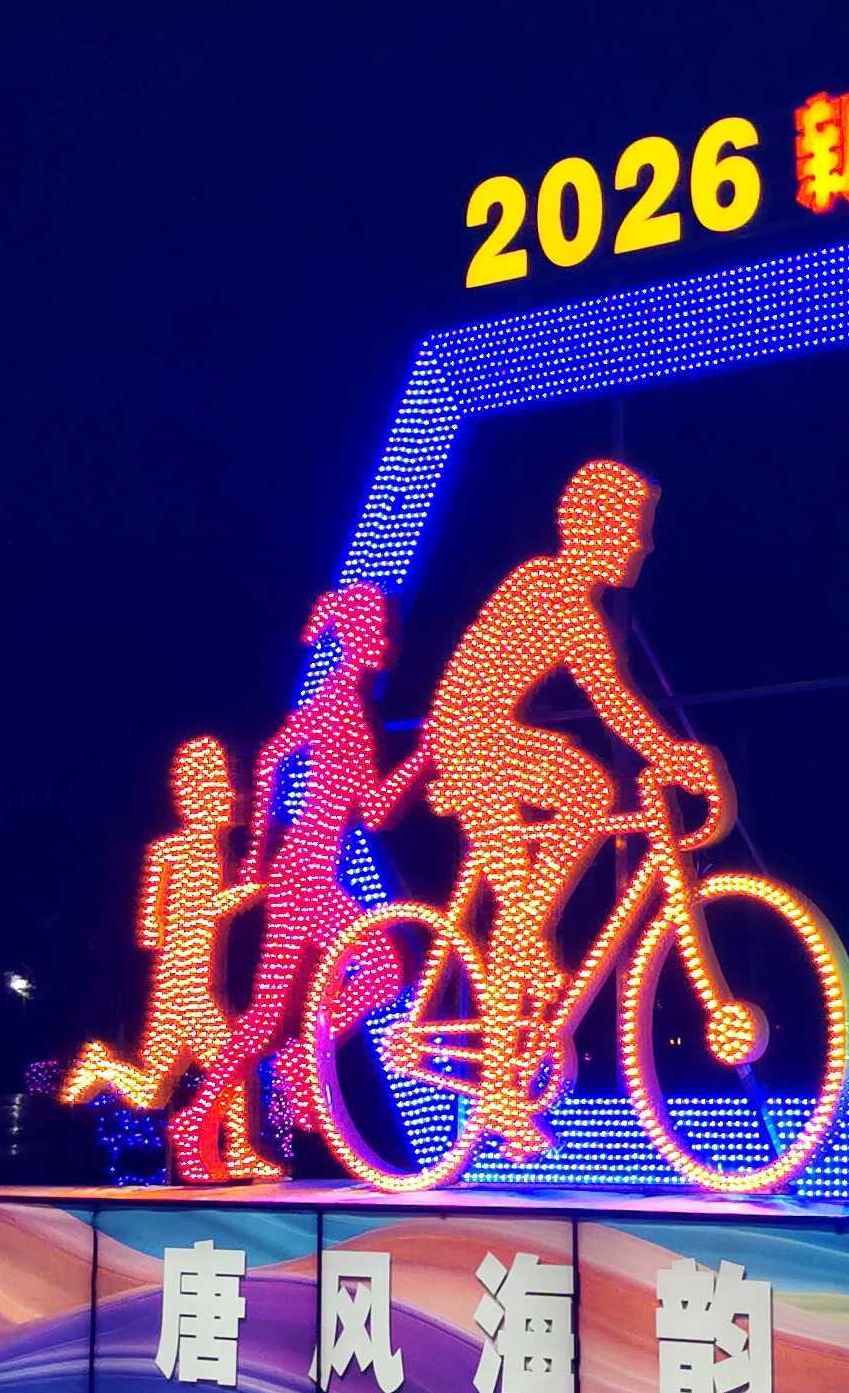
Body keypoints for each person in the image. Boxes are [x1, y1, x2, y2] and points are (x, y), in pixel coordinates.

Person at [423, 458, 730, 1153]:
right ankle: (499, 1095)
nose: (645, 544)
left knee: (544, 877)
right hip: (469, 738)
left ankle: (530, 942)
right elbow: (612, 700)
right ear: (593, 527)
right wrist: (672, 755)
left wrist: (669, 754)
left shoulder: (573, 605)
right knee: (576, 808)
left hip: (488, 739)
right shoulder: (547, 588)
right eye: (635, 528)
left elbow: (612, 697)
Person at [178, 584, 429, 1183]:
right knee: (383, 970)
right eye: (375, 630)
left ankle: (204, 1116)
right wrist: (422, 756)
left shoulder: (345, 704)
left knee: (270, 1014)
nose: (386, 642)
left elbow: (298, 770)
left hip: (308, 870)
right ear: (355, 636)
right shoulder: (339, 702)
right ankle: (288, 1065)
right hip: (305, 874)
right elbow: (357, 800)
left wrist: (258, 854)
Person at [62, 737, 257, 1137]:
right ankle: (240, 1150)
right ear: (195, 794)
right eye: (220, 784)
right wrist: (251, 891)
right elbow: (168, 922)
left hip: (181, 988)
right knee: (231, 1068)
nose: (230, 796)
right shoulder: (175, 852)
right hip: (187, 988)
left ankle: (101, 1065)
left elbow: (153, 929)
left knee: (153, 1089)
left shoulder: (205, 851)